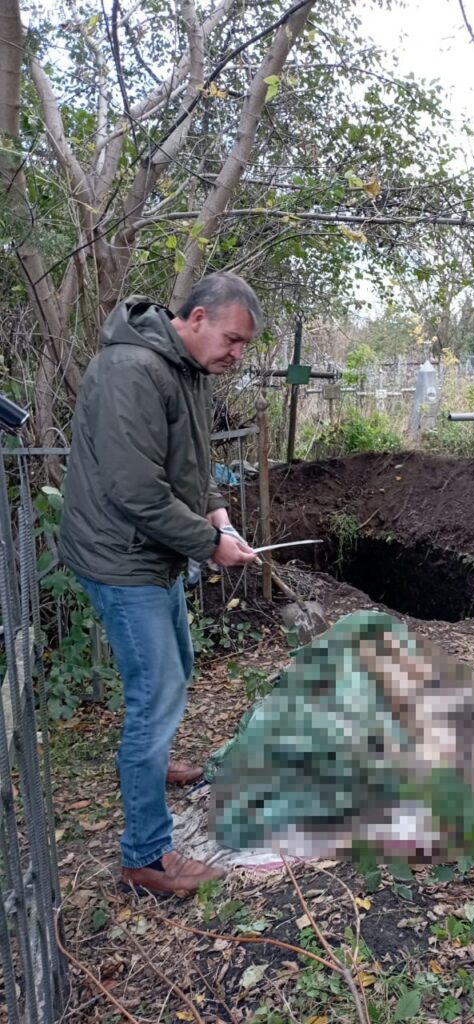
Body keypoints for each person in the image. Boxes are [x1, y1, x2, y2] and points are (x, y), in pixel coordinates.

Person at [59, 271, 263, 895]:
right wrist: (209, 545)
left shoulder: (186, 369)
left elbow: (189, 465)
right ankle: (146, 854)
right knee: (157, 692)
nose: (236, 355)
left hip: (152, 554)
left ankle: (150, 767)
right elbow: (136, 490)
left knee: (175, 665)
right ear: (196, 318)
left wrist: (218, 515)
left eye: (243, 346)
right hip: (121, 559)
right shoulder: (131, 371)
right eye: (232, 340)